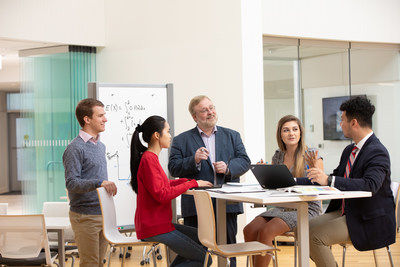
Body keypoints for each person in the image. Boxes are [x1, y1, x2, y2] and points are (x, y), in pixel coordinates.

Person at [302, 96, 396, 267]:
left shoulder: (378, 152)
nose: (340, 124)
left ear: (353, 123)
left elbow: (370, 185)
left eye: (342, 120)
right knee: (300, 230)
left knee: (315, 236)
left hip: (369, 219)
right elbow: (330, 179)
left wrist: (329, 180)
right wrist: (292, 180)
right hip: (349, 212)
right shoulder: (349, 150)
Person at [168, 95, 251, 267]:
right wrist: (194, 160)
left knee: (228, 251)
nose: (210, 112)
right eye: (204, 110)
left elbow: (244, 161)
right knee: (196, 253)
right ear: (194, 117)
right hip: (196, 205)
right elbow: (173, 168)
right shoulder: (181, 140)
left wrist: (228, 168)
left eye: (211, 108)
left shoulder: (232, 136)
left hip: (227, 204)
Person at [130, 115, 213, 267]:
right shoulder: (148, 159)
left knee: (201, 237)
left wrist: (185, 181)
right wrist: (192, 183)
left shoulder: (151, 158)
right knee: (206, 259)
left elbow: (163, 184)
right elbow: (162, 194)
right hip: (154, 227)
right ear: (157, 135)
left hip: (160, 224)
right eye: (168, 131)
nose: (170, 136)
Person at [243, 115, 323, 267]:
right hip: (282, 206)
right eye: (286, 130)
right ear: (280, 134)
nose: (291, 133)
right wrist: (266, 172)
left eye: (294, 129)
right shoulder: (278, 155)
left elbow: (320, 185)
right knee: (250, 229)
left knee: (266, 231)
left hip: (306, 207)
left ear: (300, 133)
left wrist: (314, 169)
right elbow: (274, 185)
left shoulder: (311, 154)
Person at [63, 98, 118, 267]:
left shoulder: (100, 146)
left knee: (99, 263)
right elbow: (72, 183)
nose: (105, 119)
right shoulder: (75, 148)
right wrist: (99, 182)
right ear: (87, 119)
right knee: (90, 264)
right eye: (100, 115)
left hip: (103, 213)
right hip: (84, 216)